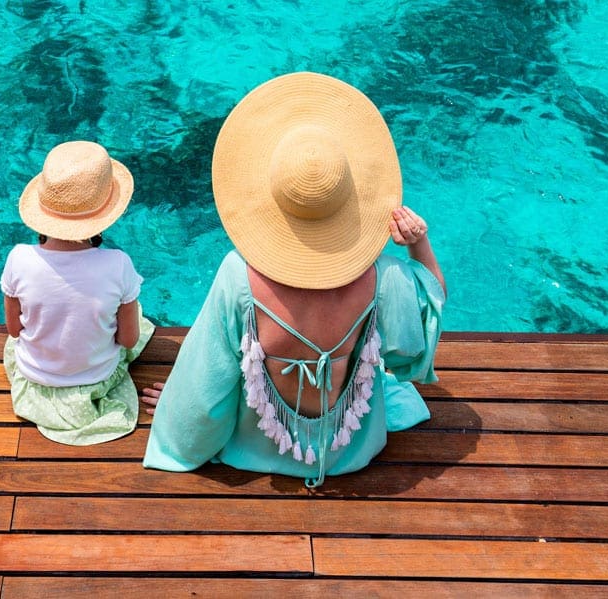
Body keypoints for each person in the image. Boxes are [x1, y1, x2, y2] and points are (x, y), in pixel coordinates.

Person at [141, 72, 446, 487]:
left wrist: (178, 412)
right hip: (350, 448)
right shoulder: (381, 276)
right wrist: (418, 244)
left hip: (263, 445)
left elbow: (207, 381)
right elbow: (426, 318)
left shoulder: (239, 276)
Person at [1, 140, 154, 445]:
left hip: (35, 377)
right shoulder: (118, 264)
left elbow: (14, 329)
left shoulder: (18, 258)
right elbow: (127, 340)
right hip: (97, 378)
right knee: (135, 317)